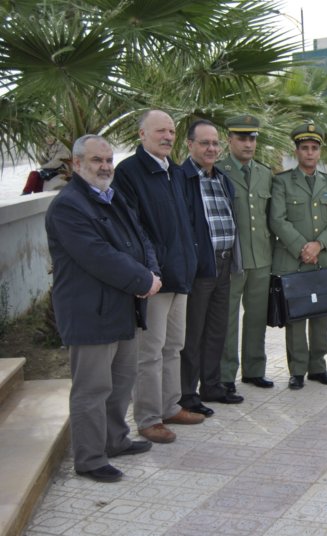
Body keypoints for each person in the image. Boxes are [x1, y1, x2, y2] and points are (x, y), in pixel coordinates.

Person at [45, 135, 162, 482]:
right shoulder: (68, 206)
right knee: (92, 390)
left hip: (122, 307)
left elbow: (141, 238)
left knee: (121, 382)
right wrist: (143, 280)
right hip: (90, 313)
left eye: (109, 160)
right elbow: (98, 255)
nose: (105, 167)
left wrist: (152, 272)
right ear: (77, 164)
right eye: (97, 160)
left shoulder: (112, 196)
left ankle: (115, 440)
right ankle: (90, 458)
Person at [113, 110, 203, 444]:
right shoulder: (128, 173)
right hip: (154, 280)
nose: (167, 137)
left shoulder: (175, 172)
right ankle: (149, 418)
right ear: (142, 134)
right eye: (160, 131)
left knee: (174, 347)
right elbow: (132, 229)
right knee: (149, 352)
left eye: (172, 131)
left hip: (181, 275)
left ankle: (169, 406)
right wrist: (150, 271)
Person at [269, 123, 327, 390]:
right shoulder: (282, 181)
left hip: (323, 260)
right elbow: (277, 219)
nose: (310, 153)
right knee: (296, 317)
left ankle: (318, 367)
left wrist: (318, 245)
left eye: (314, 148)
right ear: (297, 151)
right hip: (293, 260)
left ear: (319, 151)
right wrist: (303, 247)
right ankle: (297, 370)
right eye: (305, 148)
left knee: (321, 316)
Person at [178, 119, 243, 414]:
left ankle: (212, 386)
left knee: (217, 328)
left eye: (215, 143)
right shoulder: (181, 178)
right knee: (193, 333)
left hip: (224, 262)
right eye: (204, 143)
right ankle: (187, 393)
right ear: (190, 144)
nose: (211, 148)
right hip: (200, 266)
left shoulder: (222, 178)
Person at [218, 114, 275, 393]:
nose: (248, 144)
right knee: (228, 319)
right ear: (229, 140)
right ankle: (226, 375)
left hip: (261, 257)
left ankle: (254, 370)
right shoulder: (219, 171)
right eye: (242, 138)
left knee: (256, 317)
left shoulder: (264, 173)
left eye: (252, 138)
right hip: (231, 259)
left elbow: (270, 217)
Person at [22, 130, 71, 194]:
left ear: (55, 136)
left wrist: (42, 167)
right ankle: (25, 194)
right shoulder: (46, 147)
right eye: (46, 136)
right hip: (49, 173)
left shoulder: (62, 146)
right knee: (33, 174)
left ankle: (28, 195)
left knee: (36, 177)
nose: (49, 138)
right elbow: (43, 161)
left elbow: (57, 163)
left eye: (51, 135)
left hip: (59, 172)